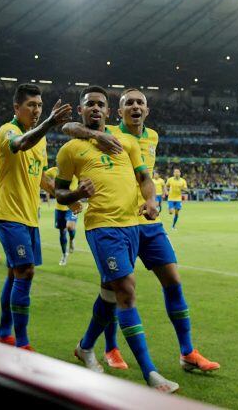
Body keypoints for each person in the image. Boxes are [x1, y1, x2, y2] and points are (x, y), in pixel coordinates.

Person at [64, 88, 219, 374]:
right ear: (118, 111)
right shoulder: (107, 131)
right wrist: (97, 135)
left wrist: (151, 201)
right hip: (115, 222)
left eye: (140, 103)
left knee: (172, 280)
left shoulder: (153, 137)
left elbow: (144, 177)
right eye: (129, 103)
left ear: (147, 110)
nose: (135, 107)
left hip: (148, 223)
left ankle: (187, 352)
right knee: (114, 289)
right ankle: (111, 348)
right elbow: (70, 126)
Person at [55, 86, 180, 393]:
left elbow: (145, 179)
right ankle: (150, 373)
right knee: (126, 289)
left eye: (100, 105)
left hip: (133, 227)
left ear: (108, 113)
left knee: (110, 295)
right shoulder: (70, 150)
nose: (95, 108)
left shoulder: (126, 142)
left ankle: (85, 347)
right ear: (83, 110)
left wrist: (152, 202)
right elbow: (58, 192)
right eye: (89, 105)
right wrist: (77, 194)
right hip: (101, 226)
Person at [0, 84, 73, 350]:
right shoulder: (9, 130)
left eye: (39, 106)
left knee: (15, 275)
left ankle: (4, 334)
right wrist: (50, 122)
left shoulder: (41, 140)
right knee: (26, 272)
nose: (36, 110)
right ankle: (22, 343)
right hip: (8, 214)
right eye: (31, 105)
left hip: (29, 217)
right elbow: (20, 144)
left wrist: (68, 196)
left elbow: (42, 179)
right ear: (17, 108)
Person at [44, 166, 82, 266]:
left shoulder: (75, 170)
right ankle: (64, 255)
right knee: (62, 232)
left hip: (72, 205)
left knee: (70, 227)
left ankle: (72, 239)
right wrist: (50, 183)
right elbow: (43, 175)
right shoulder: (53, 171)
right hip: (59, 206)